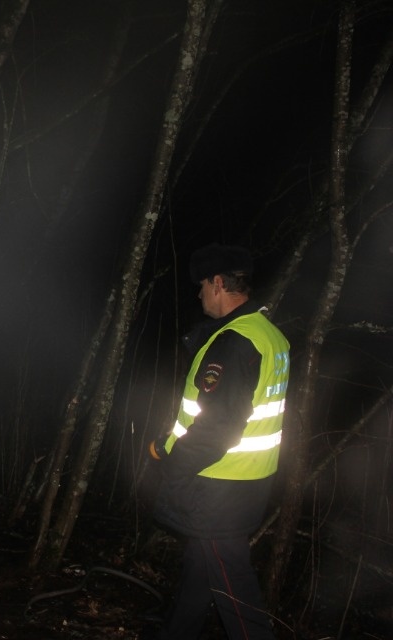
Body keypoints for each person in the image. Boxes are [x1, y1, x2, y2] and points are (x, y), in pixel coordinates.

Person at [149, 243, 289, 639]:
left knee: (235, 590)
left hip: (217, 484)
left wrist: (168, 456)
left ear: (217, 283)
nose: (198, 294)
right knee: (200, 570)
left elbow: (217, 426)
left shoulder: (234, 342)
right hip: (248, 482)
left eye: (201, 285)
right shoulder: (269, 335)